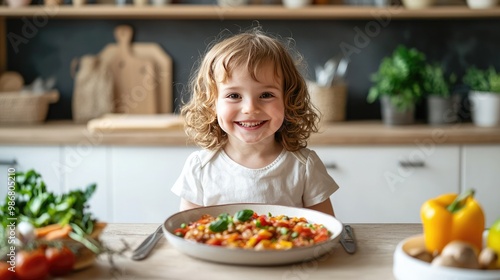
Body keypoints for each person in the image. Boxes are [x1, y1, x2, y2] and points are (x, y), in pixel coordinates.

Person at [171, 27, 339, 216]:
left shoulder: (304, 166)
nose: (250, 108)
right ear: (212, 103)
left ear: (288, 99)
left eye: (266, 95)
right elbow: (190, 232)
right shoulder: (200, 167)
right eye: (234, 95)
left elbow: (324, 230)